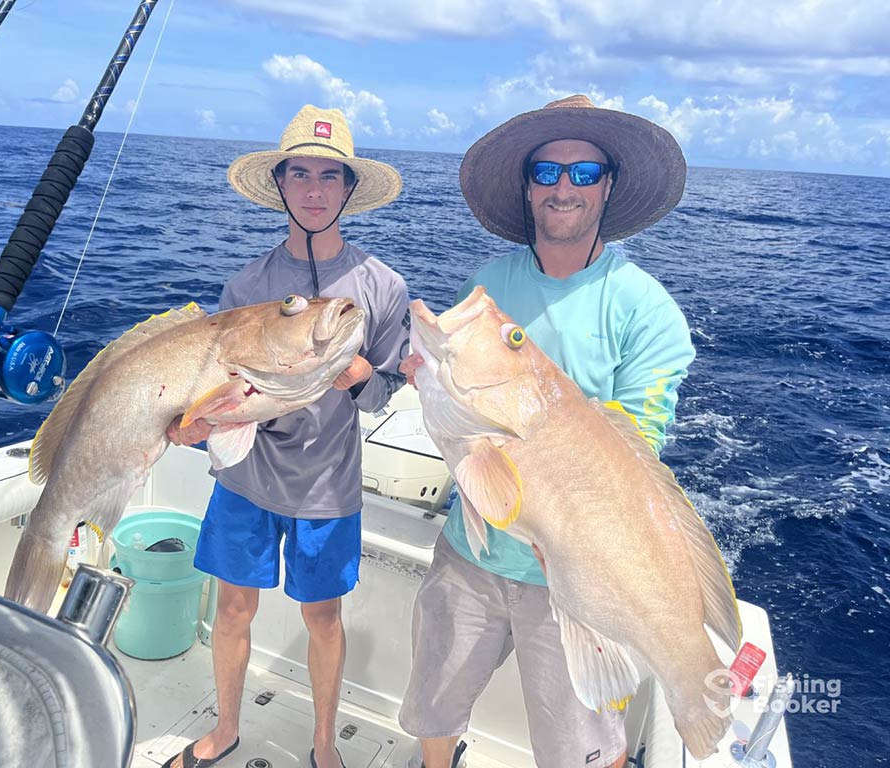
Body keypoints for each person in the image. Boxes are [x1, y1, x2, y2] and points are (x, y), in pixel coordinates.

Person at [398, 94, 695, 768]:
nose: (564, 187)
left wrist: (567, 542)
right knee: (432, 708)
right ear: (528, 187)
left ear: (609, 186)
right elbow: (465, 413)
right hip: (468, 556)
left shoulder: (647, 311)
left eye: (584, 173)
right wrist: (432, 381)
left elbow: (635, 453)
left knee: (580, 749)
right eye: (546, 172)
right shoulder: (490, 284)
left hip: (575, 581)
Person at [165, 105, 410, 768]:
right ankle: (227, 727)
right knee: (232, 612)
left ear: (348, 190)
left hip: (326, 483)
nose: (313, 189)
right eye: (299, 173)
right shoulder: (247, 286)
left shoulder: (383, 288)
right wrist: (192, 425)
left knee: (323, 619)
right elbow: (217, 389)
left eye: (330, 177)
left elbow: (388, 389)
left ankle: (325, 744)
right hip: (245, 477)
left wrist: (359, 377)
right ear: (279, 183)